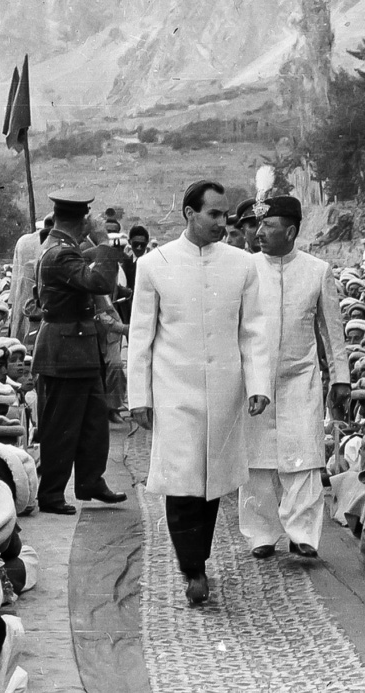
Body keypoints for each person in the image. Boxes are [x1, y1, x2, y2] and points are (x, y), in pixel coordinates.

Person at [128, 180, 271, 605]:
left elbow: (254, 331)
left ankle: (197, 559)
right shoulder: (155, 264)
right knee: (183, 479)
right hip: (174, 389)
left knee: (211, 481)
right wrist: (140, 396)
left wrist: (258, 384)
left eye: (225, 215)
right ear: (189, 213)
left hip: (224, 389)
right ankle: (192, 567)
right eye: (213, 214)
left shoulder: (243, 265)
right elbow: (141, 336)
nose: (222, 223)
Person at [238, 195, 350, 560]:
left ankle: (303, 535)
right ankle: (261, 534)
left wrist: (341, 378)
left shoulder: (318, 270)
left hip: (301, 377)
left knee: (304, 455)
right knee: (257, 459)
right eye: (258, 226)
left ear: (290, 230)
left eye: (267, 226)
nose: (259, 233)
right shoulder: (245, 267)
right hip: (254, 377)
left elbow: (333, 331)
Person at [31, 190, 126, 515]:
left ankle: (90, 481)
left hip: (78, 349)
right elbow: (100, 281)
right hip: (64, 351)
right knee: (62, 424)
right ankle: (52, 493)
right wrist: (105, 240)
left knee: (93, 421)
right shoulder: (61, 254)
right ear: (82, 219)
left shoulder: (65, 249)